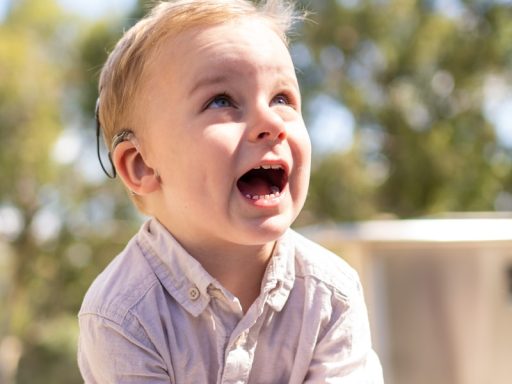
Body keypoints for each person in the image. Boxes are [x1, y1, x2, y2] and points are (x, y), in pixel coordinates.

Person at [78, 0, 383, 382]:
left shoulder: (331, 294)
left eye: (282, 99)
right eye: (221, 100)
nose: (271, 122)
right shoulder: (124, 314)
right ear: (141, 166)